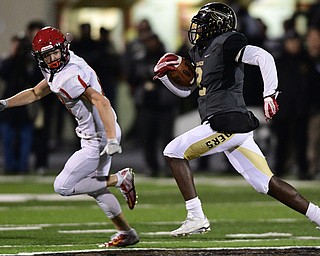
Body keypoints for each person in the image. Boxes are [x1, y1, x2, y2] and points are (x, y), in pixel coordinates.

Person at [153, 2, 320, 237]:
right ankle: (318, 216)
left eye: (203, 23)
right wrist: (164, 78)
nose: (197, 27)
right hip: (223, 123)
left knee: (173, 152)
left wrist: (269, 94)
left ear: (217, 25)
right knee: (266, 183)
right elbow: (188, 90)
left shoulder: (229, 41)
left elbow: (263, 57)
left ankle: (196, 216)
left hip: (228, 121)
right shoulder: (199, 50)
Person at [0, 26, 139, 247]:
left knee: (62, 186)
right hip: (97, 132)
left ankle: (120, 179)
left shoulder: (70, 75)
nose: (53, 58)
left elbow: (101, 101)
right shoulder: (60, 67)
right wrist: (6, 103)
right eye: (48, 55)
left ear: (64, 48)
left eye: (55, 52)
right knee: (97, 189)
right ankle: (127, 233)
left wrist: (111, 138)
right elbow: (36, 92)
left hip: (98, 137)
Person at [0, 34, 35, 174]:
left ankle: (22, 166)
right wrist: (13, 56)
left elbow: (33, 81)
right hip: (9, 106)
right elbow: (3, 74)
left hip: (25, 107)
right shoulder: (9, 62)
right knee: (8, 138)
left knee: (25, 139)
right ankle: (10, 167)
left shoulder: (30, 63)